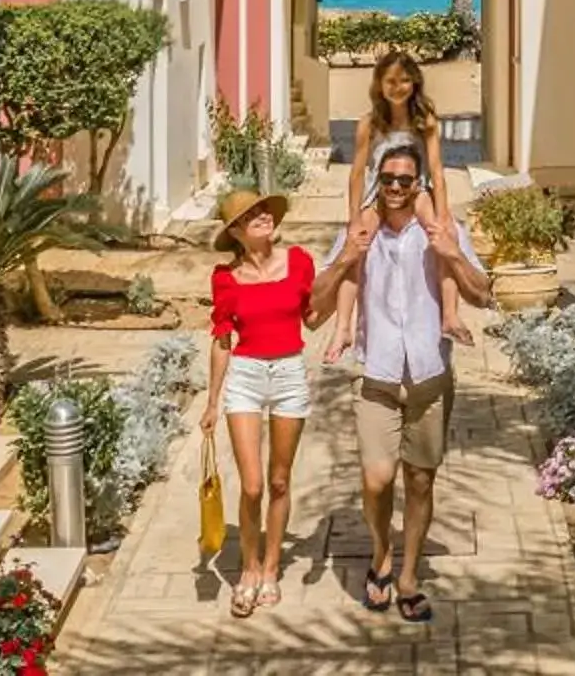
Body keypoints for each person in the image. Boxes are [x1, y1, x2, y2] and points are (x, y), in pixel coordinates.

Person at [308, 133, 491, 627]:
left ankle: (406, 575)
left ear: (418, 184)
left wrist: (451, 252)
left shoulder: (442, 228)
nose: (394, 186)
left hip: (430, 372)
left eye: (404, 180)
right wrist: (348, 255)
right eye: (387, 179)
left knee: (420, 479)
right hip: (378, 374)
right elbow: (313, 308)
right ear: (376, 182)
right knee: (377, 477)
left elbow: (482, 292)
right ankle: (380, 550)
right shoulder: (358, 231)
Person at [199, 188, 313, 616]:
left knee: (279, 481)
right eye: (251, 215)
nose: (263, 216)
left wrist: (342, 278)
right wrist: (212, 401)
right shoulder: (225, 278)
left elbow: (312, 317)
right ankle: (247, 568)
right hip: (246, 376)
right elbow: (222, 339)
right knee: (252, 485)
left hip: (288, 373)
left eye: (264, 210)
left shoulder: (299, 261)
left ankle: (270, 567)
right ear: (236, 232)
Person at [327, 52, 470, 359]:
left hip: (416, 189)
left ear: (414, 83)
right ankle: (342, 327)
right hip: (378, 193)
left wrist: (443, 213)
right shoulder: (370, 124)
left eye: (405, 80)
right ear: (379, 83)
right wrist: (353, 218)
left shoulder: (424, 120)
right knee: (355, 247)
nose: (398, 87)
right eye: (391, 81)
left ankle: (450, 313)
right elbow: (356, 173)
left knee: (442, 236)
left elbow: (436, 168)